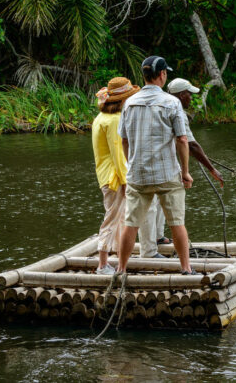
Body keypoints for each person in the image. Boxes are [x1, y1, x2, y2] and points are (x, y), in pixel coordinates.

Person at [117, 56, 196, 274]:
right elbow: (182, 139)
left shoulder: (129, 103)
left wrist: (131, 163)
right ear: (162, 75)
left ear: (144, 76)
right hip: (167, 174)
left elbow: (124, 140)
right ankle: (186, 268)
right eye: (166, 73)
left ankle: (121, 269)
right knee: (176, 223)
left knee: (131, 224)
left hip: (138, 176)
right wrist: (186, 173)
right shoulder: (172, 102)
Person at [138, 78, 225, 247]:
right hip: (164, 165)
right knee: (164, 203)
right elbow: (190, 144)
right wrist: (212, 169)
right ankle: (153, 245)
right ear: (181, 94)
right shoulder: (176, 109)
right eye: (189, 95)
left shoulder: (156, 105)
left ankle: (158, 237)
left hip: (148, 162)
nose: (191, 99)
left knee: (155, 201)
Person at [91, 77, 140, 275]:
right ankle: (102, 264)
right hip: (114, 178)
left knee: (118, 218)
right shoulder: (114, 120)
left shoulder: (101, 118)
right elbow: (119, 155)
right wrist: (127, 181)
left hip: (107, 175)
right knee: (112, 219)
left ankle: (119, 261)